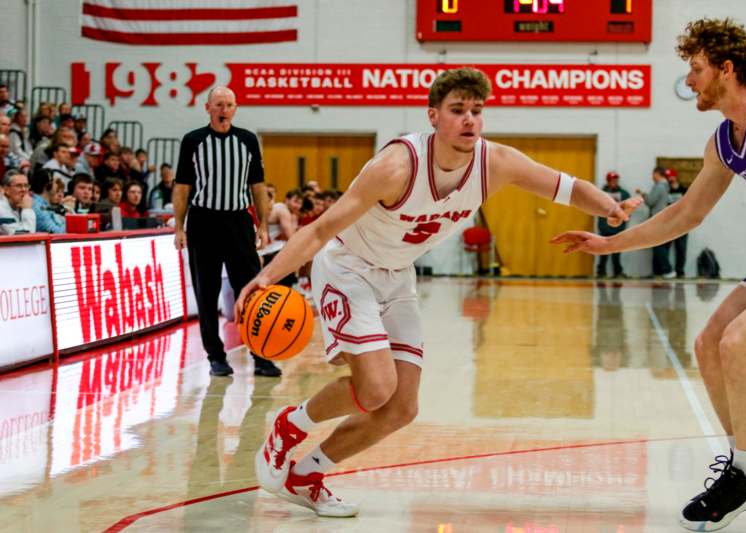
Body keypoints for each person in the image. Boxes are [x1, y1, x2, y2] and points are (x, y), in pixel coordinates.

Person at [234, 67, 640, 517]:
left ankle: (306, 474)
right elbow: (323, 228)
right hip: (349, 268)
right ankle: (286, 429)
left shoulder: (495, 162)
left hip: (397, 275)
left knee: (401, 407)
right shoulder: (396, 166)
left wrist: (608, 206)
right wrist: (267, 276)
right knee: (376, 388)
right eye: (457, 110)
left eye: (477, 111)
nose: (469, 120)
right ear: (433, 116)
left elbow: (564, 186)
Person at [552, 18, 746, 531]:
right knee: (711, 341)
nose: (689, 81)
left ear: (725, 69)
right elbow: (686, 216)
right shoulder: (724, 144)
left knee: (740, 343)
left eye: (696, 69)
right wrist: (610, 243)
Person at [173, 86, 279, 378]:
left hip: (238, 222)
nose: (224, 110)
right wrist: (179, 226)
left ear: (235, 108)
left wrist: (263, 224)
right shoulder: (193, 141)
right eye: (218, 104)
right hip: (203, 222)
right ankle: (216, 357)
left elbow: (258, 186)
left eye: (229, 104)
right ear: (208, 108)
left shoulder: (247, 140)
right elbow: (182, 187)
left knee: (251, 291)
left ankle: (261, 355)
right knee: (207, 292)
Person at [637, 167, 674, 278]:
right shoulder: (667, 187)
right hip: (664, 219)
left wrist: (642, 194)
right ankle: (657, 272)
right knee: (658, 244)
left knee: (658, 246)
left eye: (653, 174)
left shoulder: (659, 187)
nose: (652, 177)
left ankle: (668, 270)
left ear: (658, 174)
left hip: (657, 219)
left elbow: (650, 201)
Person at [597, 171, 631, 278]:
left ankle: (618, 272)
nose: (614, 182)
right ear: (608, 181)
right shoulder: (601, 192)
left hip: (618, 227)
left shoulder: (624, 193)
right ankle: (601, 272)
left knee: (617, 250)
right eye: (612, 180)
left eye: (615, 180)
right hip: (605, 226)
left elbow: (629, 208)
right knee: (603, 250)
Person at [665, 168, 689, 277]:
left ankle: (680, 271)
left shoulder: (683, 190)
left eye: (671, 176)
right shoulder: (665, 190)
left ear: (675, 177)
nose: (670, 179)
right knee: (665, 247)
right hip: (668, 223)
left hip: (682, 223)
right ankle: (666, 271)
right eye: (668, 177)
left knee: (681, 248)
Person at [0, 169, 35, 235]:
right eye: (19, 186)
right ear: (6, 189)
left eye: (26, 186)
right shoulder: (1, 208)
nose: (24, 190)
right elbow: (26, 235)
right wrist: (27, 209)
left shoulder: (21, 205)